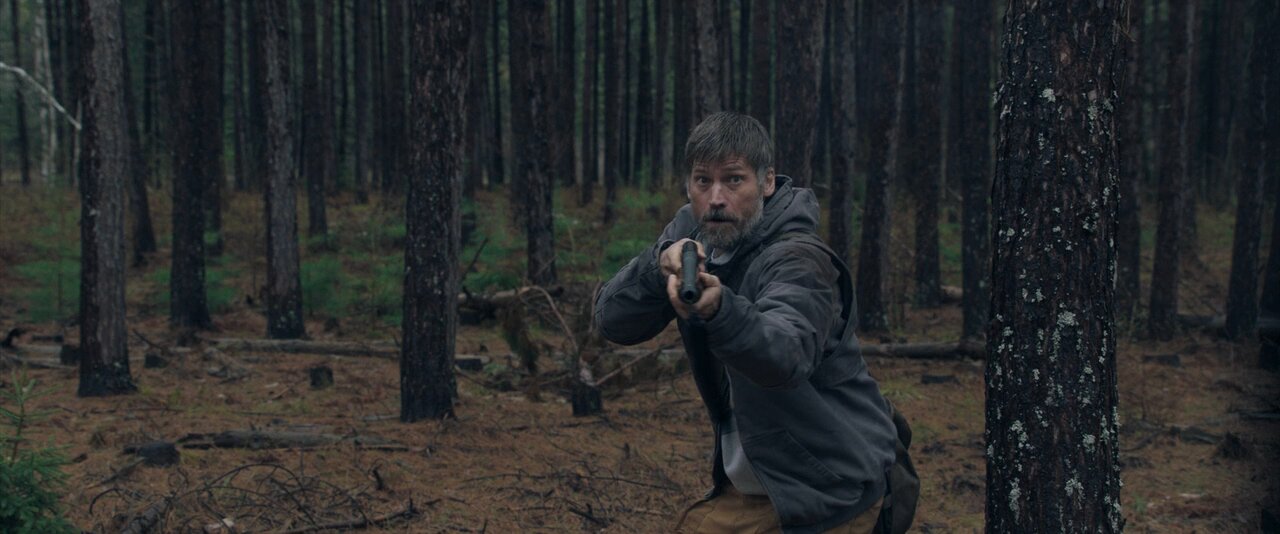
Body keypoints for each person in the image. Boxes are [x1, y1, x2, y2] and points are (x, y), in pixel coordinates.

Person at [593, 112, 899, 533]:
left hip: (830, 490)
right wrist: (657, 264)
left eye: (734, 180)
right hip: (754, 487)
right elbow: (612, 321)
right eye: (703, 181)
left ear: (767, 182)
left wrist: (721, 310)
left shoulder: (799, 259)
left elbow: (785, 353)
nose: (716, 198)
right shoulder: (691, 238)